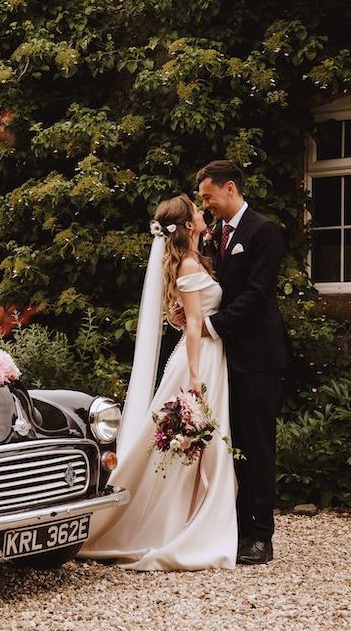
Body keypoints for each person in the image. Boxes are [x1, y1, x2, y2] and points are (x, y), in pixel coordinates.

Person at [79, 194, 238, 570]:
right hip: (200, 360)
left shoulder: (197, 258)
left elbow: (184, 314)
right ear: (186, 226)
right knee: (186, 442)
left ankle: (192, 516)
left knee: (194, 443)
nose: (202, 213)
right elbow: (195, 324)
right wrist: (196, 376)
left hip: (209, 356)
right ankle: (172, 524)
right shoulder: (186, 266)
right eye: (196, 212)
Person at [196, 160, 288, 565]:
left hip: (257, 359)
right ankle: (232, 527)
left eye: (208, 196)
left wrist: (212, 326)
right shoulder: (213, 236)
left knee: (257, 445)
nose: (206, 204)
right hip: (223, 361)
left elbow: (258, 293)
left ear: (229, 187)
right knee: (229, 447)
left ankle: (260, 536)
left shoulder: (264, 231)